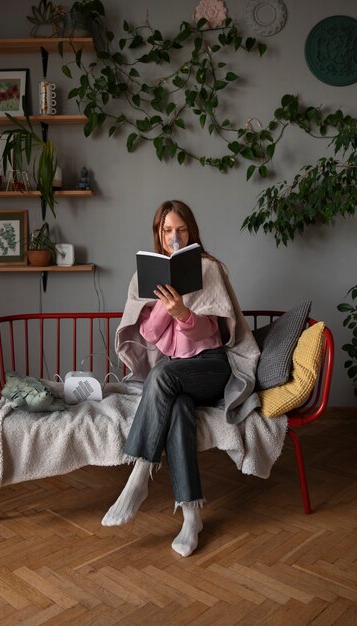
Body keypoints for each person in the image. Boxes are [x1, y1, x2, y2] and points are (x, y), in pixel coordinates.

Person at [101, 200, 260, 557]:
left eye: (181, 229)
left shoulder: (209, 269)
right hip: (176, 377)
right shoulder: (145, 277)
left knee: (164, 374)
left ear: (192, 230)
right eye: (167, 230)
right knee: (179, 408)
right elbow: (152, 336)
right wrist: (165, 304)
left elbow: (209, 332)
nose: (175, 237)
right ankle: (192, 517)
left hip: (212, 366)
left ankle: (139, 478)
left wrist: (185, 313)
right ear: (158, 234)